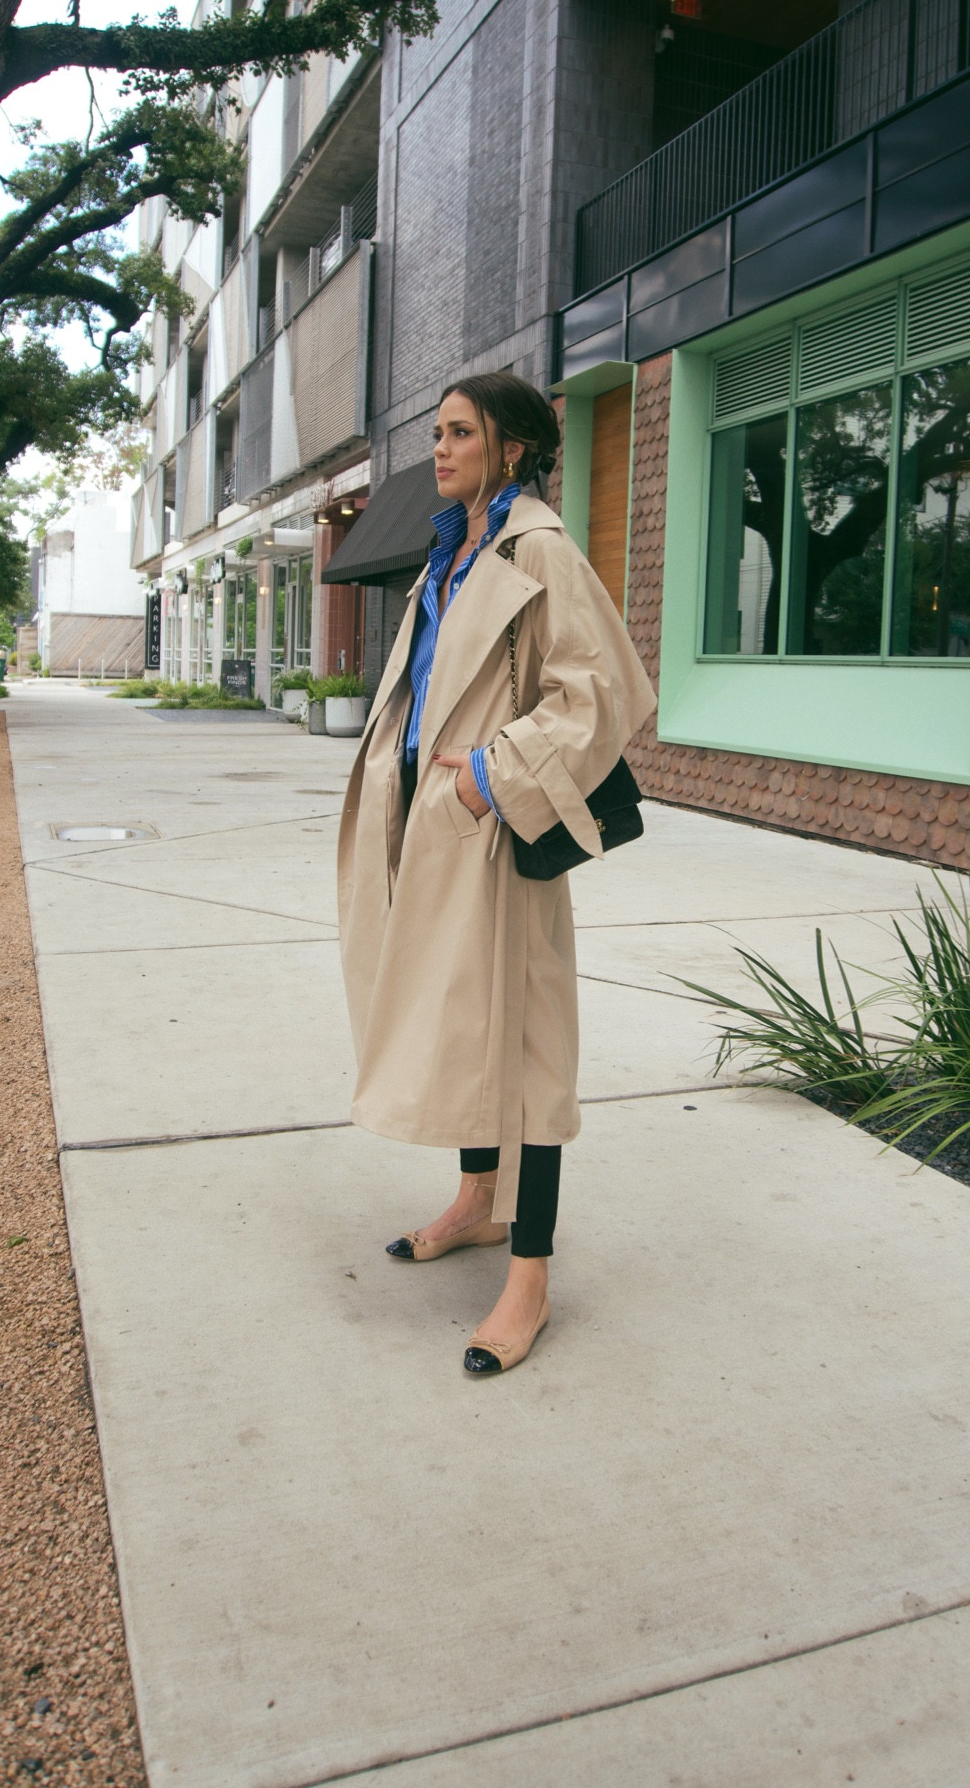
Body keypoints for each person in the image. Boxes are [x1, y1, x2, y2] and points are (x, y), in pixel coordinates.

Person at [336, 370, 655, 1374]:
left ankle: (529, 1275)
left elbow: (604, 690)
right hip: (427, 827)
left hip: (491, 829)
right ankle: (476, 1201)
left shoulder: (537, 548)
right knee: (457, 1018)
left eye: (460, 432)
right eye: (435, 431)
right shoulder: (454, 547)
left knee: (524, 1043)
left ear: (511, 447)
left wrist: (487, 774)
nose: (439, 448)